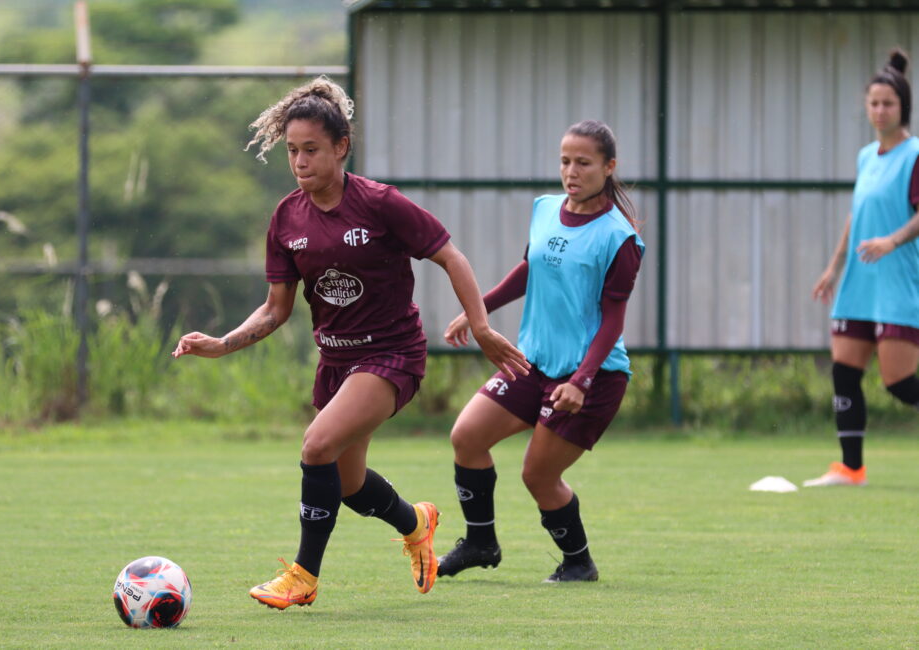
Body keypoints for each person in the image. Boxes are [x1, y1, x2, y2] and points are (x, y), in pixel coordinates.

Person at [172, 76, 529, 609]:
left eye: (311, 149)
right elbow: (276, 309)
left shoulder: (380, 204)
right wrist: (223, 344)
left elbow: (450, 256)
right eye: (292, 151)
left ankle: (303, 577)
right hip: (335, 361)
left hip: (391, 355)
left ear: (342, 147)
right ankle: (416, 523)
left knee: (316, 446)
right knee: (347, 481)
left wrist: (480, 327)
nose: (299, 161)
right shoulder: (286, 218)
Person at [435, 120, 644, 583]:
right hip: (532, 362)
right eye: (565, 161)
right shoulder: (546, 209)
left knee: (538, 477)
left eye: (584, 163)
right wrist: (478, 311)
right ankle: (480, 541)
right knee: (467, 437)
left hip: (592, 377)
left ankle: (578, 562)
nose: (572, 171)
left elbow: (613, 320)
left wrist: (581, 382)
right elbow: (530, 270)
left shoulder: (619, 238)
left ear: (609, 167)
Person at [807, 48, 919, 488]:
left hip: (896, 277)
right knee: (844, 371)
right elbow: (856, 215)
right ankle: (851, 468)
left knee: (899, 383)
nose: (879, 110)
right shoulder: (865, 156)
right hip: (859, 278)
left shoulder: (914, 155)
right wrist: (833, 267)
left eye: (887, 103)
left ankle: (852, 467)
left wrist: (892, 240)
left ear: (902, 107)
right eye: (873, 103)